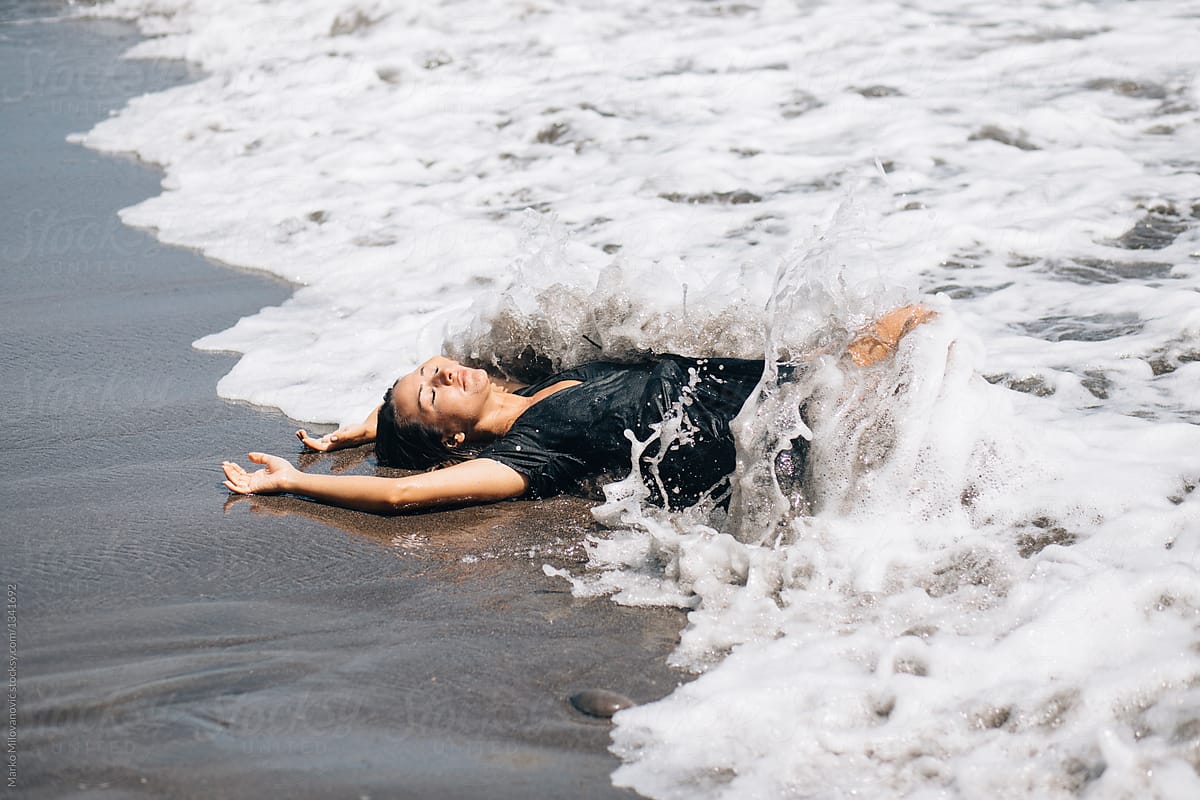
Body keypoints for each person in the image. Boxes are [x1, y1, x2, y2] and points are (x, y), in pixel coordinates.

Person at [221, 305, 934, 513]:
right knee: (920, 402)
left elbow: (412, 431)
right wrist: (292, 480)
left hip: (780, 386)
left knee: (921, 326)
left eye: (424, 370)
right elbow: (403, 490)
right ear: (453, 439)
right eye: (430, 394)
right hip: (778, 434)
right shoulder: (526, 456)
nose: (437, 371)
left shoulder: (539, 384)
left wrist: (365, 425)